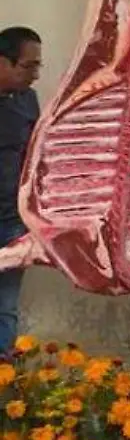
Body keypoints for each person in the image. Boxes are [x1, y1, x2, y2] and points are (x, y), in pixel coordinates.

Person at [0, 27, 42, 353]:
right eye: (28, 66)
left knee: (6, 307)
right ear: (3, 63)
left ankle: (3, 386)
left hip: (12, 222)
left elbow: (35, 154)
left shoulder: (27, 101)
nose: (35, 75)